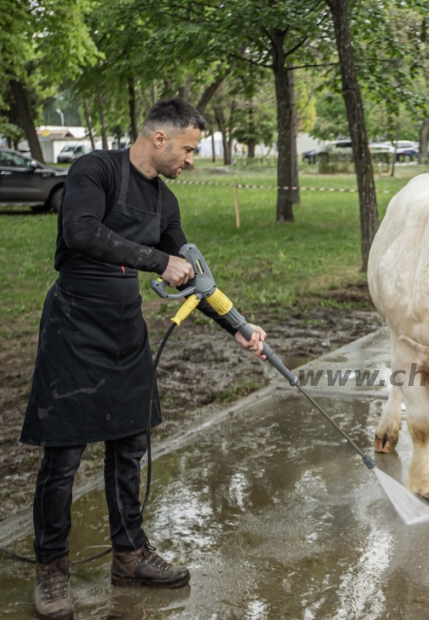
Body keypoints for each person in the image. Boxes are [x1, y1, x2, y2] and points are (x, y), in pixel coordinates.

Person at [20, 99, 269, 620]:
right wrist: (158, 260)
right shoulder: (96, 170)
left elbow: (196, 276)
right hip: (74, 322)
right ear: (159, 139)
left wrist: (239, 325)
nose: (192, 159)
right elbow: (81, 234)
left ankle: (130, 554)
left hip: (124, 328)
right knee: (64, 456)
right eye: (189, 148)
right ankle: (51, 568)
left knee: (129, 445)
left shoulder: (164, 202)